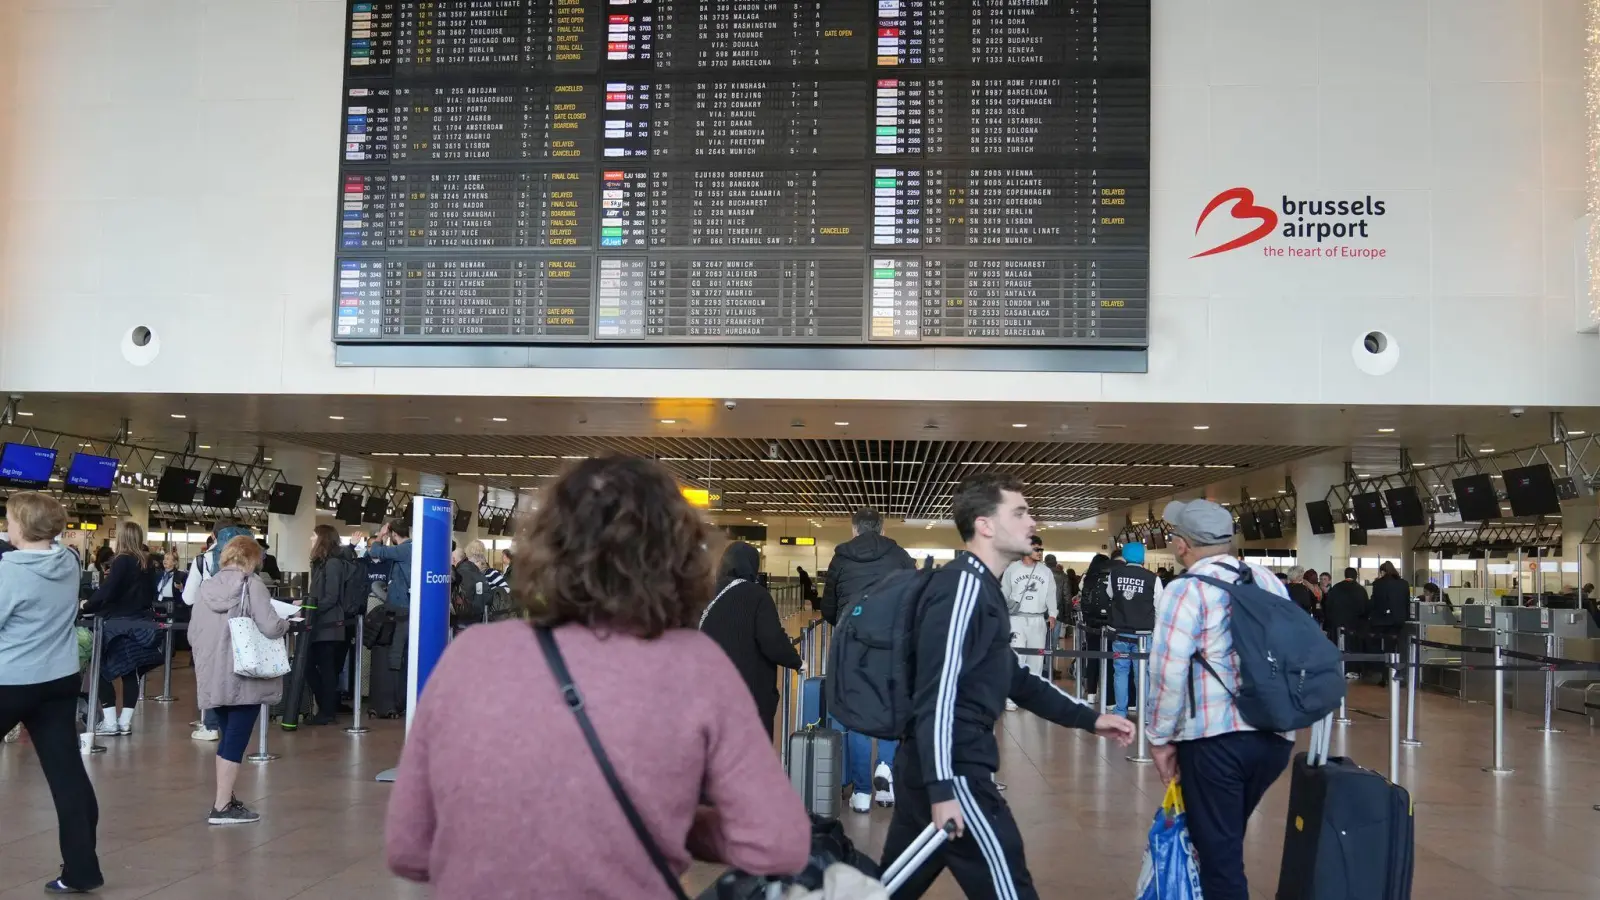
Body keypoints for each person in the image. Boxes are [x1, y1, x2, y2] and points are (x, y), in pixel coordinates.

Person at [385, 456, 810, 898]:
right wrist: (670, 818)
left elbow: (408, 848)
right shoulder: (695, 665)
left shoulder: (469, 656)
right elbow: (778, 841)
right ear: (678, 557)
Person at [877, 472, 1134, 900]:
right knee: (1009, 883)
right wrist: (943, 787)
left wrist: (1089, 719)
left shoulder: (983, 589)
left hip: (939, 770)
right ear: (985, 525)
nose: (1032, 522)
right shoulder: (962, 587)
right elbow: (937, 694)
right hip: (955, 773)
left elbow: (1014, 677)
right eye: (1020, 512)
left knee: (887, 889)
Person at [1145, 499, 1295, 900]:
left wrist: (1160, 738)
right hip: (1275, 737)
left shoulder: (1185, 590)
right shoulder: (1268, 581)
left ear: (1181, 545)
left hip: (1217, 741)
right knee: (1222, 840)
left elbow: (1167, 672)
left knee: (1220, 860)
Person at [0, 492, 105, 893]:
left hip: (10, 681)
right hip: (59, 681)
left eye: (10, 518)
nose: (6, 525)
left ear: (23, 526)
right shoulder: (68, 562)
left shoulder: (10, 573)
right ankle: (82, 871)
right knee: (68, 777)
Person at [190, 536, 296, 825]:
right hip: (244, 675)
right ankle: (222, 806)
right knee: (235, 740)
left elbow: (192, 634)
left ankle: (226, 798)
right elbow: (270, 626)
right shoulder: (252, 584)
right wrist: (288, 623)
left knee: (228, 735)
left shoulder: (206, 588)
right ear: (252, 559)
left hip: (214, 675)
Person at [819, 508, 915, 811]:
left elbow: (828, 606)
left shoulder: (841, 558)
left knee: (857, 717)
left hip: (852, 645)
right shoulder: (900, 556)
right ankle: (886, 776)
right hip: (891, 644)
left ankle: (861, 793)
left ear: (854, 529)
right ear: (882, 529)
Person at [700, 542, 804, 740]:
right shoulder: (757, 596)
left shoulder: (706, 594)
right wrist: (797, 662)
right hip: (749, 693)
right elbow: (772, 640)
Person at [81, 520, 160, 736]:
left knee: (100, 668)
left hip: (116, 625)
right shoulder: (147, 562)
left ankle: (109, 721)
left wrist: (86, 605)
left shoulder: (122, 561)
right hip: (141, 623)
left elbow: (108, 591)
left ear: (122, 538)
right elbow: (152, 593)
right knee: (130, 672)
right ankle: (124, 722)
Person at [305, 525, 360, 725]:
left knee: (324, 668)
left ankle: (327, 711)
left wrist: (309, 607)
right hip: (322, 623)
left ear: (322, 539)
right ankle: (327, 707)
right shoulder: (322, 563)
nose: (311, 538)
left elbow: (330, 597)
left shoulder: (333, 564)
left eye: (314, 535)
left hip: (329, 624)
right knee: (314, 666)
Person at [1001, 535, 1057, 711]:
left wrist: (1053, 614)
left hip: (1037, 618)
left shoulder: (1045, 572)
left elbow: (1051, 594)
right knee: (1017, 657)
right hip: (1016, 618)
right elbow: (1004, 592)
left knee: (1036, 659)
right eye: (1036, 549)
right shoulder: (1012, 569)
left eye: (1041, 549)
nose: (1040, 553)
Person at [1106, 542, 1161, 720]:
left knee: (1120, 672)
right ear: (1142, 557)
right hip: (1143, 635)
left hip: (1119, 632)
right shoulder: (1153, 578)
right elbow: (1159, 607)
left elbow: (1110, 594)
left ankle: (1120, 712)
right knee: (1142, 673)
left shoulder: (1114, 575)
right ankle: (1143, 713)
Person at [365, 520, 414, 719]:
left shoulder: (404, 549)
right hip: (401, 609)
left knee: (396, 655)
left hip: (401, 611)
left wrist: (379, 536)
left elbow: (375, 552)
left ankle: (395, 700)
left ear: (394, 535)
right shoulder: (410, 549)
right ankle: (396, 699)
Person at [1076, 552, 1113, 702]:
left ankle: (1091, 693)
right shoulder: (1111, 577)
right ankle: (1109, 696)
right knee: (1110, 659)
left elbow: (1081, 596)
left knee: (1093, 657)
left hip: (1091, 623)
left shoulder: (1086, 578)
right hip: (1109, 623)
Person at [1322, 567, 1370, 677]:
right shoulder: (1360, 590)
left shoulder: (1336, 588)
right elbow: (1365, 609)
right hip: (1355, 625)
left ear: (1345, 575)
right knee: (1354, 646)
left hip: (1337, 624)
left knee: (1338, 646)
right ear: (1356, 576)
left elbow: (1328, 606)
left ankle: (1338, 669)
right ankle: (1354, 670)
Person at [1368, 561, 1410, 685]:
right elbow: (1407, 603)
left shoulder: (1378, 584)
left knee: (1385, 649)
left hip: (1382, 621)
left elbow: (1374, 603)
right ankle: (1400, 674)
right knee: (1399, 648)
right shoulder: (1404, 584)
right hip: (1399, 621)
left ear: (1383, 571)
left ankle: (1385, 676)